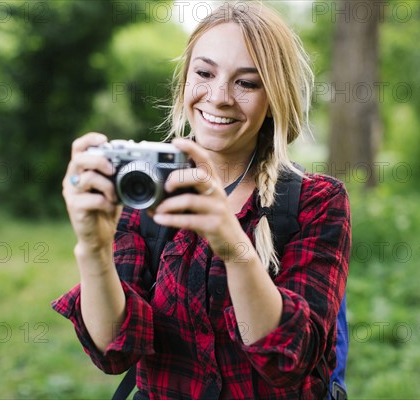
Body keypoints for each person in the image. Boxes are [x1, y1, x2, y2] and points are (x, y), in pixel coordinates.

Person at [53, 2, 351, 399]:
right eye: (205, 73)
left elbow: (290, 359)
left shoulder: (315, 201)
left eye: (246, 83)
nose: (220, 97)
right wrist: (93, 248)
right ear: (185, 80)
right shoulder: (144, 190)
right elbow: (114, 351)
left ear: (273, 98)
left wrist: (235, 249)